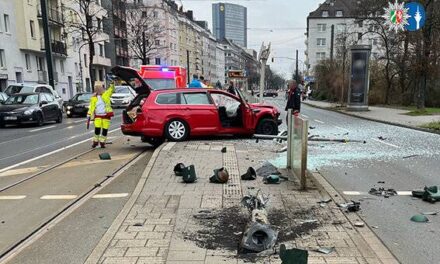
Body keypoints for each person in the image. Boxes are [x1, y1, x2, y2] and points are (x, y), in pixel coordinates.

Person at [87, 81, 115, 148]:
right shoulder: (93, 98)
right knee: (97, 129)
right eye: (97, 88)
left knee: (105, 129)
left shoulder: (106, 94)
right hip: (98, 116)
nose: (98, 90)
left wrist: (112, 84)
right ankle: (95, 142)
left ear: (102, 88)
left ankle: (102, 142)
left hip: (106, 116)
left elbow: (112, 89)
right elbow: (91, 106)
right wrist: (89, 113)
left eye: (99, 88)